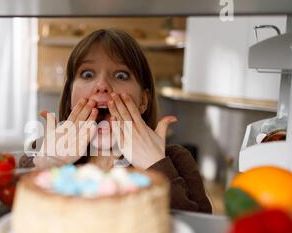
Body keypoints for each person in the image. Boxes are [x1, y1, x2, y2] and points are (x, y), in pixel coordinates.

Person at [22, 28, 212, 213]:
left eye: (121, 75)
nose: (102, 85)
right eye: (88, 74)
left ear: (143, 101)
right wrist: (48, 165)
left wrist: (155, 166)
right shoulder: (39, 151)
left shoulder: (177, 160)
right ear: (71, 96)